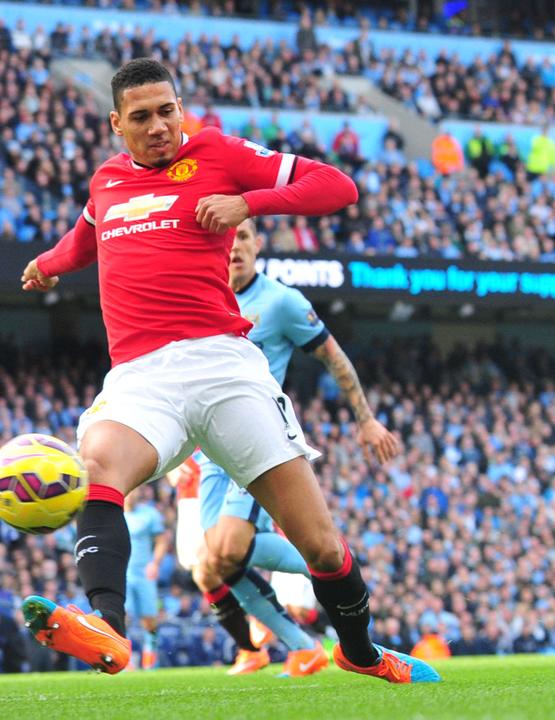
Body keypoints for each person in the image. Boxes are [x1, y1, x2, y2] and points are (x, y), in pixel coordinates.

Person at [18, 58, 439, 684]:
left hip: (224, 366)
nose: (160, 126)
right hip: (140, 375)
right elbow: (88, 238)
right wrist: (50, 263)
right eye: (142, 117)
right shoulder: (107, 182)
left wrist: (248, 202)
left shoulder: (217, 152)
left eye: (168, 110)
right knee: (100, 466)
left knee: (320, 544)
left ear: (181, 108)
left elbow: (338, 187)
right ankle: (107, 624)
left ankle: (358, 649)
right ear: (116, 125)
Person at [192, 217, 401, 677]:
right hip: (208, 450)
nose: (235, 248)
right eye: (228, 239)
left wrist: (366, 421)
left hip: (256, 442)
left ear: (258, 244)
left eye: (244, 237)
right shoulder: (199, 296)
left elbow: (333, 355)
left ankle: (331, 567)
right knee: (208, 568)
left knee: (227, 547)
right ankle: (301, 646)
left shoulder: (281, 301)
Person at [123, 489, 168, 670]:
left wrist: (155, 563)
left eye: (134, 492)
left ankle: (150, 659)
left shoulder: (150, 514)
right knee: (122, 615)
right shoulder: (114, 515)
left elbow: (162, 541)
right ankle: (125, 660)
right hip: (123, 572)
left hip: (144, 572)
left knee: (149, 619)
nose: (131, 496)